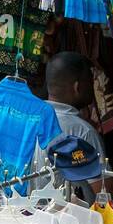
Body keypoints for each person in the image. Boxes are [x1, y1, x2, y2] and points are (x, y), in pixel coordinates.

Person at [31, 52, 104, 199]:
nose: (93, 88)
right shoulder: (83, 132)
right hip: (72, 219)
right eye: (90, 82)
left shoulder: (30, 121)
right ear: (77, 87)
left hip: (33, 215)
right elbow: (104, 191)